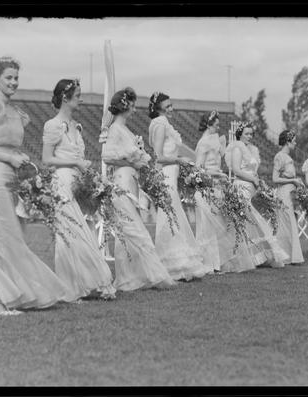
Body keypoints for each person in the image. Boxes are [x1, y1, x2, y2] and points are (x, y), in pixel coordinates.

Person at [0, 56, 70, 315]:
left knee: (15, 238)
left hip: (15, 179)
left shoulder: (18, 112)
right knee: (1, 238)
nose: (14, 82)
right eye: (8, 78)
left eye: (16, 78)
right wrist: (9, 157)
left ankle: (11, 295)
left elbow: (13, 146)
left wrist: (22, 166)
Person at [42, 79, 116, 302]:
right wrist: (75, 164)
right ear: (65, 98)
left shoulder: (76, 126)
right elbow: (47, 159)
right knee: (69, 235)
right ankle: (71, 287)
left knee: (83, 231)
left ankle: (85, 282)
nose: (81, 99)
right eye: (78, 95)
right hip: (62, 183)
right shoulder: (52, 125)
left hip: (77, 183)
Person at [101, 87, 176, 291]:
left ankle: (131, 276)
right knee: (132, 228)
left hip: (132, 181)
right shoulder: (115, 130)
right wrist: (132, 164)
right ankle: (152, 274)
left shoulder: (126, 130)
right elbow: (107, 157)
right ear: (124, 106)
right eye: (132, 106)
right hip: (122, 181)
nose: (134, 110)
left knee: (131, 228)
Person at [148, 92, 209, 280]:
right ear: (158, 108)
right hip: (166, 174)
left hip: (173, 173)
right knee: (169, 216)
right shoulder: (159, 124)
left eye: (171, 105)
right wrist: (179, 160)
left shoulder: (166, 124)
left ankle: (178, 262)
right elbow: (158, 156)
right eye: (167, 106)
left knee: (174, 215)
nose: (171, 109)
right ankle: (169, 262)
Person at [194, 111, 255, 273]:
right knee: (207, 228)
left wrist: (220, 177)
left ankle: (216, 263)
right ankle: (207, 263)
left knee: (219, 225)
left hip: (217, 186)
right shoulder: (203, 143)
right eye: (216, 125)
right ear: (208, 125)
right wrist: (217, 174)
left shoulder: (214, 141)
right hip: (207, 187)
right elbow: (199, 168)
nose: (219, 128)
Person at [225, 122, 290, 269]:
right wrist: (252, 179)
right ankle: (242, 257)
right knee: (247, 219)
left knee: (250, 221)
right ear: (240, 134)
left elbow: (254, 170)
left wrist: (259, 181)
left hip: (252, 187)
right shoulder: (237, 148)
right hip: (241, 185)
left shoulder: (253, 150)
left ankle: (255, 256)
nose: (249, 136)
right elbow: (236, 170)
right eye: (247, 133)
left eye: (251, 134)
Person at [271, 129, 305, 264]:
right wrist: (292, 181)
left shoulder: (288, 158)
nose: (295, 143)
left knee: (290, 224)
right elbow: (275, 178)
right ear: (288, 141)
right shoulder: (280, 156)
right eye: (294, 141)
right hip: (283, 194)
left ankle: (291, 256)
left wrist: (297, 182)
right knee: (285, 224)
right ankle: (282, 256)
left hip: (290, 193)